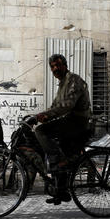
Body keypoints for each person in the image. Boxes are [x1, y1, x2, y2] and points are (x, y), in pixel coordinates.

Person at [35, 54, 92, 204]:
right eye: (52, 67)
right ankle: (61, 191)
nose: (55, 69)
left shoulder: (73, 80)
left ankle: (56, 161)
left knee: (40, 131)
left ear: (65, 65)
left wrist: (46, 115)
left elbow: (67, 105)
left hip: (78, 121)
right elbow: (55, 106)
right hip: (71, 120)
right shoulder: (62, 84)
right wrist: (38, 116)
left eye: (58, 65)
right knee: (63, 153)